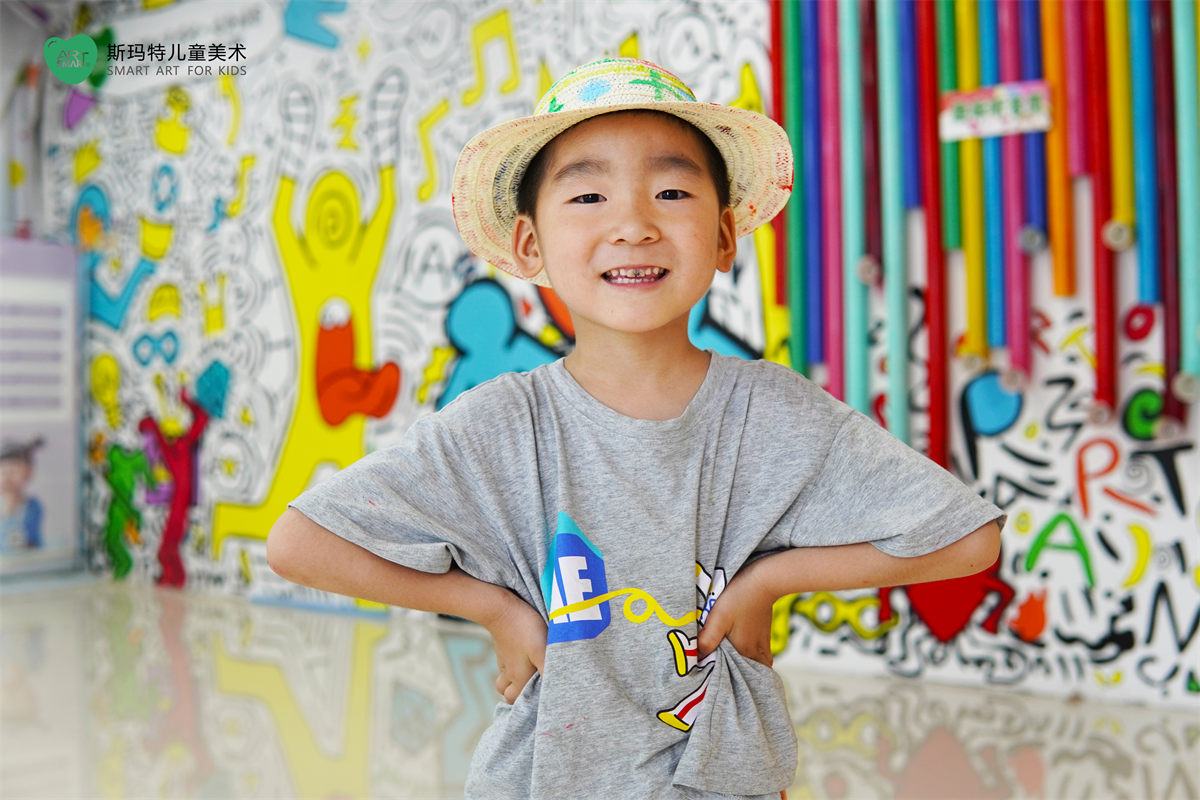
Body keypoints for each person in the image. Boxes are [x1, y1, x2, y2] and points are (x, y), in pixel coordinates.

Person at [268, 57, 1004, 799]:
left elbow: (968, 540)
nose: (633, 226)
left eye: (671, 192)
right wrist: (492, 608)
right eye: (588, 195)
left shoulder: (774, 412)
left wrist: (768, 580)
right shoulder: (502, 424)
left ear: (724, 236)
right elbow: (301, 544)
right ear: (530, 245)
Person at [1, 436, 45, 553]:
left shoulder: (32, 506)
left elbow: (33, 542)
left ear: (27, 473)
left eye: (14, 470)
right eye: (4, 471)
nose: (8, 476)